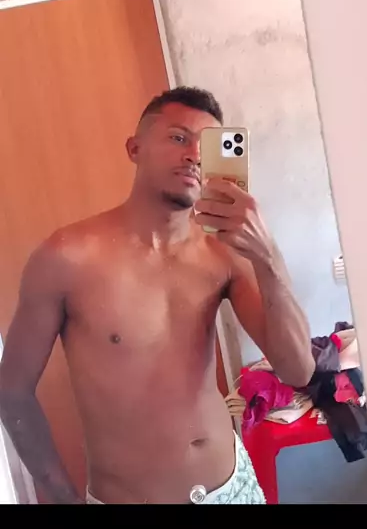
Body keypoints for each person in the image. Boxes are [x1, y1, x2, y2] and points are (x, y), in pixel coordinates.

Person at [0, 87, 314, 504]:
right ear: (135, 148)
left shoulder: (225, 252)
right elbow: (12, 391)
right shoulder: (66, 258)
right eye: (179, 138)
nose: (194, 156)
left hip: (233, 490)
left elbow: (298, 370)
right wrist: (61, 497)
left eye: (207, 147)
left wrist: (268, 257)